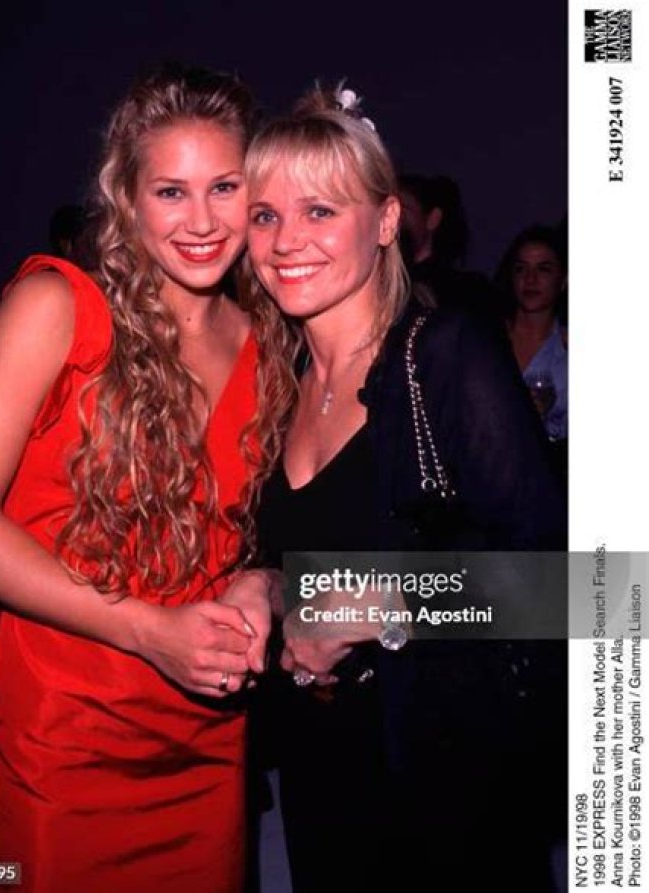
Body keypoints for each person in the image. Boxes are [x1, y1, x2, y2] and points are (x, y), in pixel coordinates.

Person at [0, 62, 292, 893]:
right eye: (170, 191)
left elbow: (255, 538)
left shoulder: (271, 344)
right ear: (127, 199)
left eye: (225, 187)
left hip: (206, 744)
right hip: (63, 744)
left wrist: (259, 585)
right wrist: (146, 630)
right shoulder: (56, 309)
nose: (201, 221)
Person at [244, 84, 566, 892]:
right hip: (322, 776)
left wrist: (375, 606)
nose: (287, 240)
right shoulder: (276, 382)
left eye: (321, 210)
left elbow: (581, 589)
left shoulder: (442, 355)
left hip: (448, 786)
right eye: (265, 214)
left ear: (387, 222)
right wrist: (267, 588)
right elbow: (312, 567)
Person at [496, 223, 568, 442]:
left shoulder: (566, 350)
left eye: (543, 269)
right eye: (521, 269)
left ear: (563, 280)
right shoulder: (487, 339)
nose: (530, 279)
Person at [398, 172, 502, 322]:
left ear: (433, 219)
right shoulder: (379, 281)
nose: (394, 219)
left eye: (403, 209)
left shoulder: (466, 290)